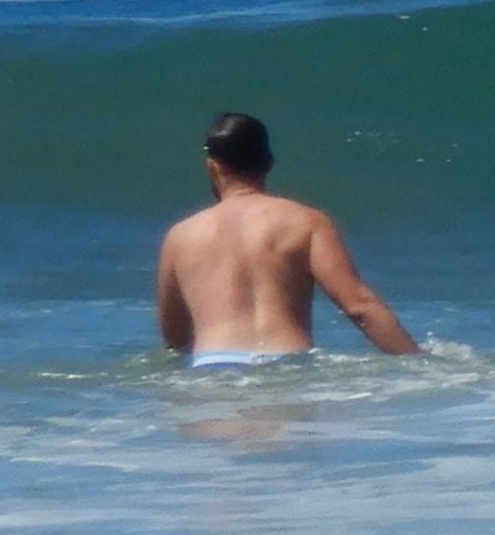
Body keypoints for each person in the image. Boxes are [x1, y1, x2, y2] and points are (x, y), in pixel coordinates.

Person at [155, 113, 420, 361]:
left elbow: (175, 341)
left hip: (213, 369)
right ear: (269, 162)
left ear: (212, 167)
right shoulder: (306, 222)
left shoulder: (180, 236)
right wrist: (421, 364)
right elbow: (359, 306)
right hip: (286, 365)